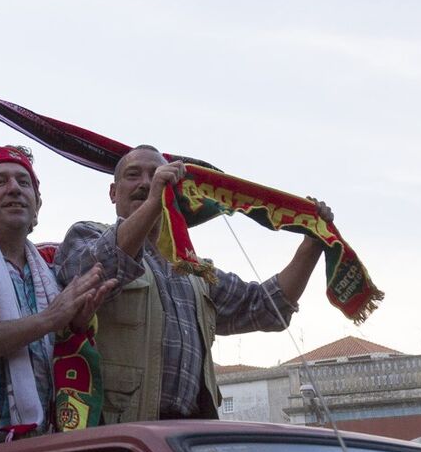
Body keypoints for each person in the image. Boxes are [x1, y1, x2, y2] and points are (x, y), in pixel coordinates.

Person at [55, 145, 334, 422]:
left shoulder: (192, 268)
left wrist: (312, 245)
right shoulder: (86, 235)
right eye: (133, 175)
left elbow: (266, 307)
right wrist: (154, 203)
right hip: (122, 435)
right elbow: (99, 266)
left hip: (189, 433)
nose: (146, 183)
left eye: (155, 174)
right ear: (113, 193)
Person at [0, 145, 115, 433]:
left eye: (23, 182)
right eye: (0, 181)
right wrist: (48, 321)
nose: (14, 188)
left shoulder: (49, 273)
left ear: (37, 207)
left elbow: (58, 352)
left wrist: (73, 329)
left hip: (42, 447)